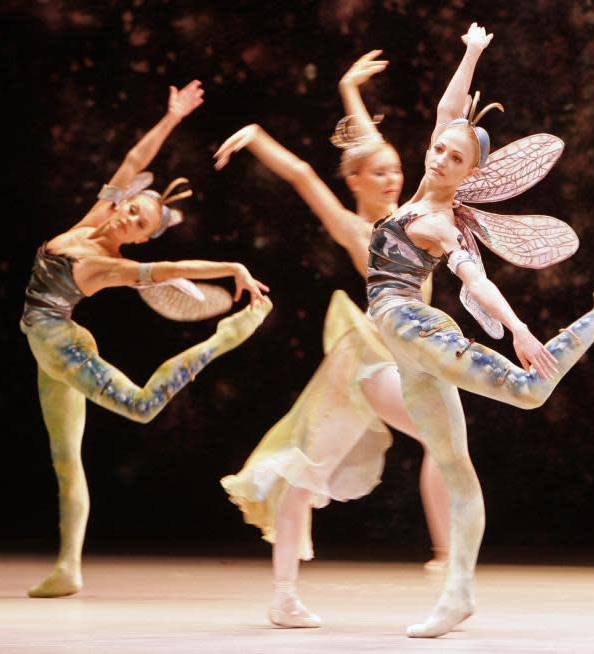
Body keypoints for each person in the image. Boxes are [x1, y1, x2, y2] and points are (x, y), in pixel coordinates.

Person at [364, 24, 594, 637]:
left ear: (470, 172)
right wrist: (470, 54)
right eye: (439, 149)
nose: (440, 157)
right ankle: (459, 595)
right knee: (456, 471)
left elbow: (476, 280)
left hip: (416, 330)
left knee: (529, 388)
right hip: (407, 352)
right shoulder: (418, 193)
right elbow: (451, 112)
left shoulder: (440, 221)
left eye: (455, 158)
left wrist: (519, 328)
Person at [214, 52, 453, 629]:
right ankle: (448, 556)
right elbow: (302, 173)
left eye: (395, 169)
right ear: (353, 182)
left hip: (392, 358)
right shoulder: (356, 229)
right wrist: (256, 138)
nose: (392, 177)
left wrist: (348, 87)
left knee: (303, 471)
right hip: (372, 357)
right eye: (378, 174)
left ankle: (283, 594)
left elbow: (370, 148)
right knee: (443, 438)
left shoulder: (416, 213)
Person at [21, 80, 272, 598]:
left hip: (60, 346)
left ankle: (223, 339)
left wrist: (232, 267)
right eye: (134, 206)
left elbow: (175, 265)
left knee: (142, 406)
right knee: (66, 461)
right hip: (49, 349)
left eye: (139, 221)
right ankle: (68, 566)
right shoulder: (93, 219)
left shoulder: (109, 264)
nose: (130, 214)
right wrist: (173, 117)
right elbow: (135, 157)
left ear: (137, 238)